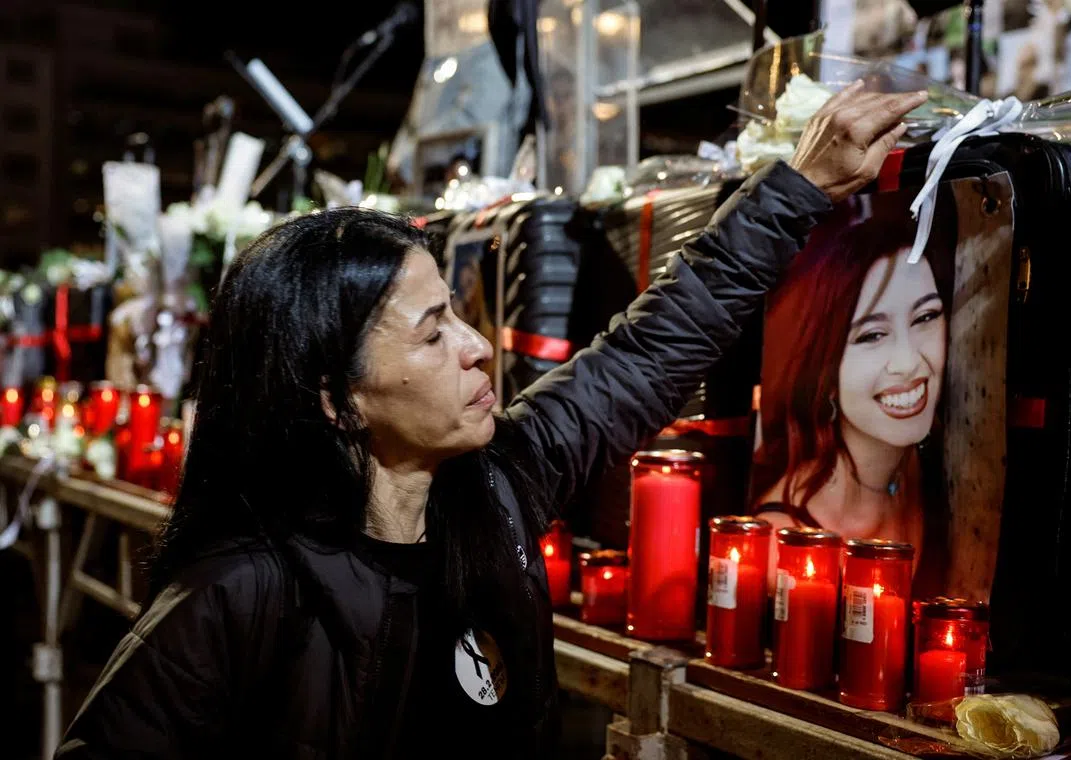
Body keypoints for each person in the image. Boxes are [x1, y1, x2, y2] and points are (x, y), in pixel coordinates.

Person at [56, 83, 926, 759]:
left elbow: (652, 350)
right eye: (434, 333)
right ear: (336, 396)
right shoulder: (237, 594)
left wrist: (799, 189)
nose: (480, 350)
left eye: (459, 316)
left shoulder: (498, 492)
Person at [751, 201, 954, 592]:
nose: (908, 362)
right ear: (824, 369)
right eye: (872, 335)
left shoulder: (921, 462)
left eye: (925, 317)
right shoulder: (783, 543)